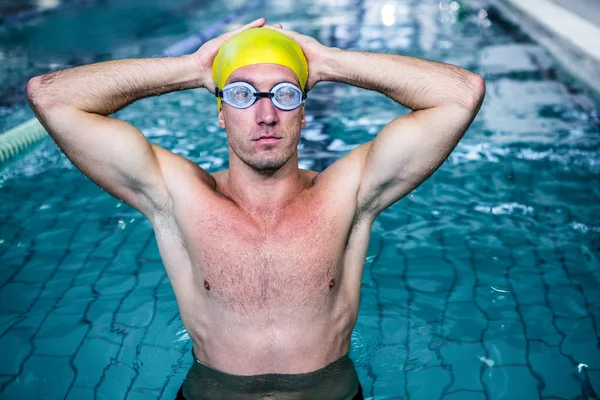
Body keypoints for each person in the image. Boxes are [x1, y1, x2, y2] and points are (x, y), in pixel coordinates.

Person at [26, 18, 485, 399]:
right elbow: (51, 96)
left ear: (304, 112)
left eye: (285, 95)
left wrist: (328, 62)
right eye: (242, 95)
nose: (266, 115)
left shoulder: (348, 192)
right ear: (221, 112)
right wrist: (192, 68)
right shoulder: (178, 194)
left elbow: (461, 94)